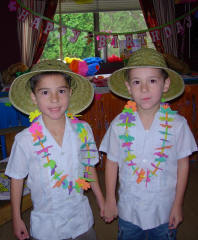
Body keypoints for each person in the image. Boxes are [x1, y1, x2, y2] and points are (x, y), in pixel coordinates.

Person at [99, 48, 197, 240]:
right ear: (129, 87)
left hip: (164, 210)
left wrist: (177, 204)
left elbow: (183, 165)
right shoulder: (120, 123)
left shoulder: (178, 125)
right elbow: (112, 162)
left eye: (152, 81)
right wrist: (110, 199)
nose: (144, 89)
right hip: (129, 210)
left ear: (165, 84)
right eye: (137, 82)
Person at [5, 59, 104, 240]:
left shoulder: (84, 130)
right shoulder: (24, 140)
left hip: (81, 220)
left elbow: (89, 167)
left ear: (70, 93)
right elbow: (17, 179)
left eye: (61, 91)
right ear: (34, 97)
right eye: (45, 92)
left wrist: (101, 200)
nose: (54, 99)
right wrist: (16, 218)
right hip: (47, 228)